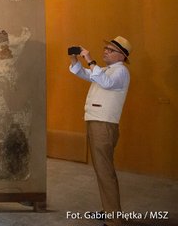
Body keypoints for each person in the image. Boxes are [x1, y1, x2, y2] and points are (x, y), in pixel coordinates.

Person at [69, 36, 132, 226]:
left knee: (105, 172)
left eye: (111, 50)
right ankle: (109, 211)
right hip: (96, 122)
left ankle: (114, 220)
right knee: (102, 170)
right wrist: (75, 60)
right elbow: (87, 74)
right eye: (105, 48)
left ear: (122, 55)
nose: (105, 51)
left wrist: (90, 60)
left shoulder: (121, 71)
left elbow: (104, 82)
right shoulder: (106, 70)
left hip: (104, 125)